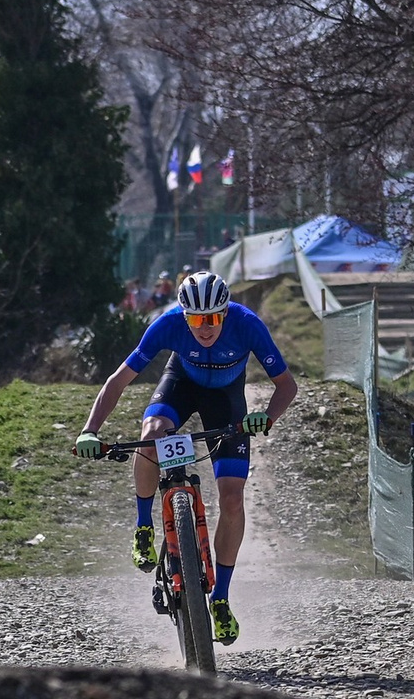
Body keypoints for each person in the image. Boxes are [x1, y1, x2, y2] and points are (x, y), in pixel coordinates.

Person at [71, 270, 297, 648]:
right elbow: (118, 381)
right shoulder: (168, 324)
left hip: (226, 400)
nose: (204, 327)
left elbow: (287, 386)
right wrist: (90, 429)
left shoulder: (247, 325)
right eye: (195, 319)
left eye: (211, 319)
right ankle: (144, 525)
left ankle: (220, 599)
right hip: (180, 384)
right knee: (151, 434)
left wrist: (267, 416)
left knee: (231, 499)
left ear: (224, 313)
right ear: (184, 315)